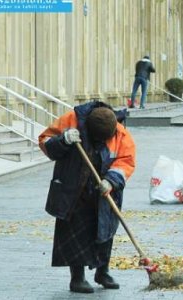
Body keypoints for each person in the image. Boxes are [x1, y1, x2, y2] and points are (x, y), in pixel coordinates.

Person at [38, 101, 136, 293]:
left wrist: (112, 180)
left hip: (104, 190)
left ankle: (103, 272)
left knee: (105, 231)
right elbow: (45, 142)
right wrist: (63, 139)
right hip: (74, 189)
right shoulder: (71, 120)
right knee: (76, 234)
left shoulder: (120, 131)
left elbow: (126, 160)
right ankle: (77, 278)